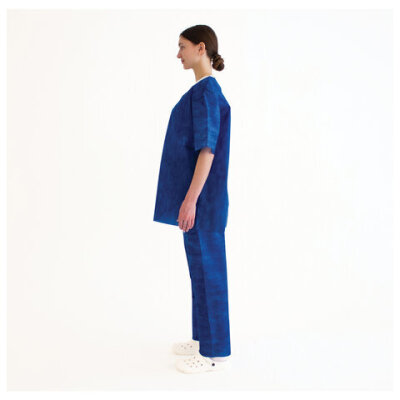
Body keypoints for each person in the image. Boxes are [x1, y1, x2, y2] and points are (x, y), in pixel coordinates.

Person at [153, 25, 231, 374]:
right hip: (200, 201)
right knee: (199, 272)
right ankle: (202, 339)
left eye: (182, 46)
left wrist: (190, 200)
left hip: (204, 202)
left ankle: (215, 353)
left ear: (201, 48)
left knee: (210, 273)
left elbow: (207, 149)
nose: (178, 53)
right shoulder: (201, 91)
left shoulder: (206, 93)